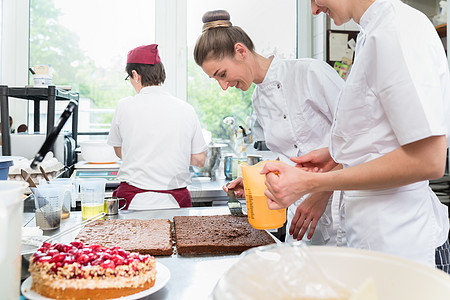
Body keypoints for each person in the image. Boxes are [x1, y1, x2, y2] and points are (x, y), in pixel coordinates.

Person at [262, 0, 450, 272]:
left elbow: (428, 160)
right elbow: (382, 135)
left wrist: (312, 183)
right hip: (376, 247)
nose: (314, 10)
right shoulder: (371, 33)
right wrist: (335, 154)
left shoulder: (396, 30)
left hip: (407, 248)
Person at [194, 10, 345, 243]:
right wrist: (258, 179)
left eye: (222, 74)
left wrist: (321, 192)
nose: (223, 86)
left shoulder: (310, 73)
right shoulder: (258, 99)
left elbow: (358, 140)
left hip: (343, 210)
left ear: (241, 51)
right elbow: (289, 158)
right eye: (216, 80)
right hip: (301, 219)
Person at [107, 44, 207, 210]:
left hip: (133, 203)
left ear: (135, 75)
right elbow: (199, 160)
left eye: (129, 78)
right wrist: (171, 153)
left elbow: (120, 151)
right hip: (176, 205)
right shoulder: (186, 109)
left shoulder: (124, 106)